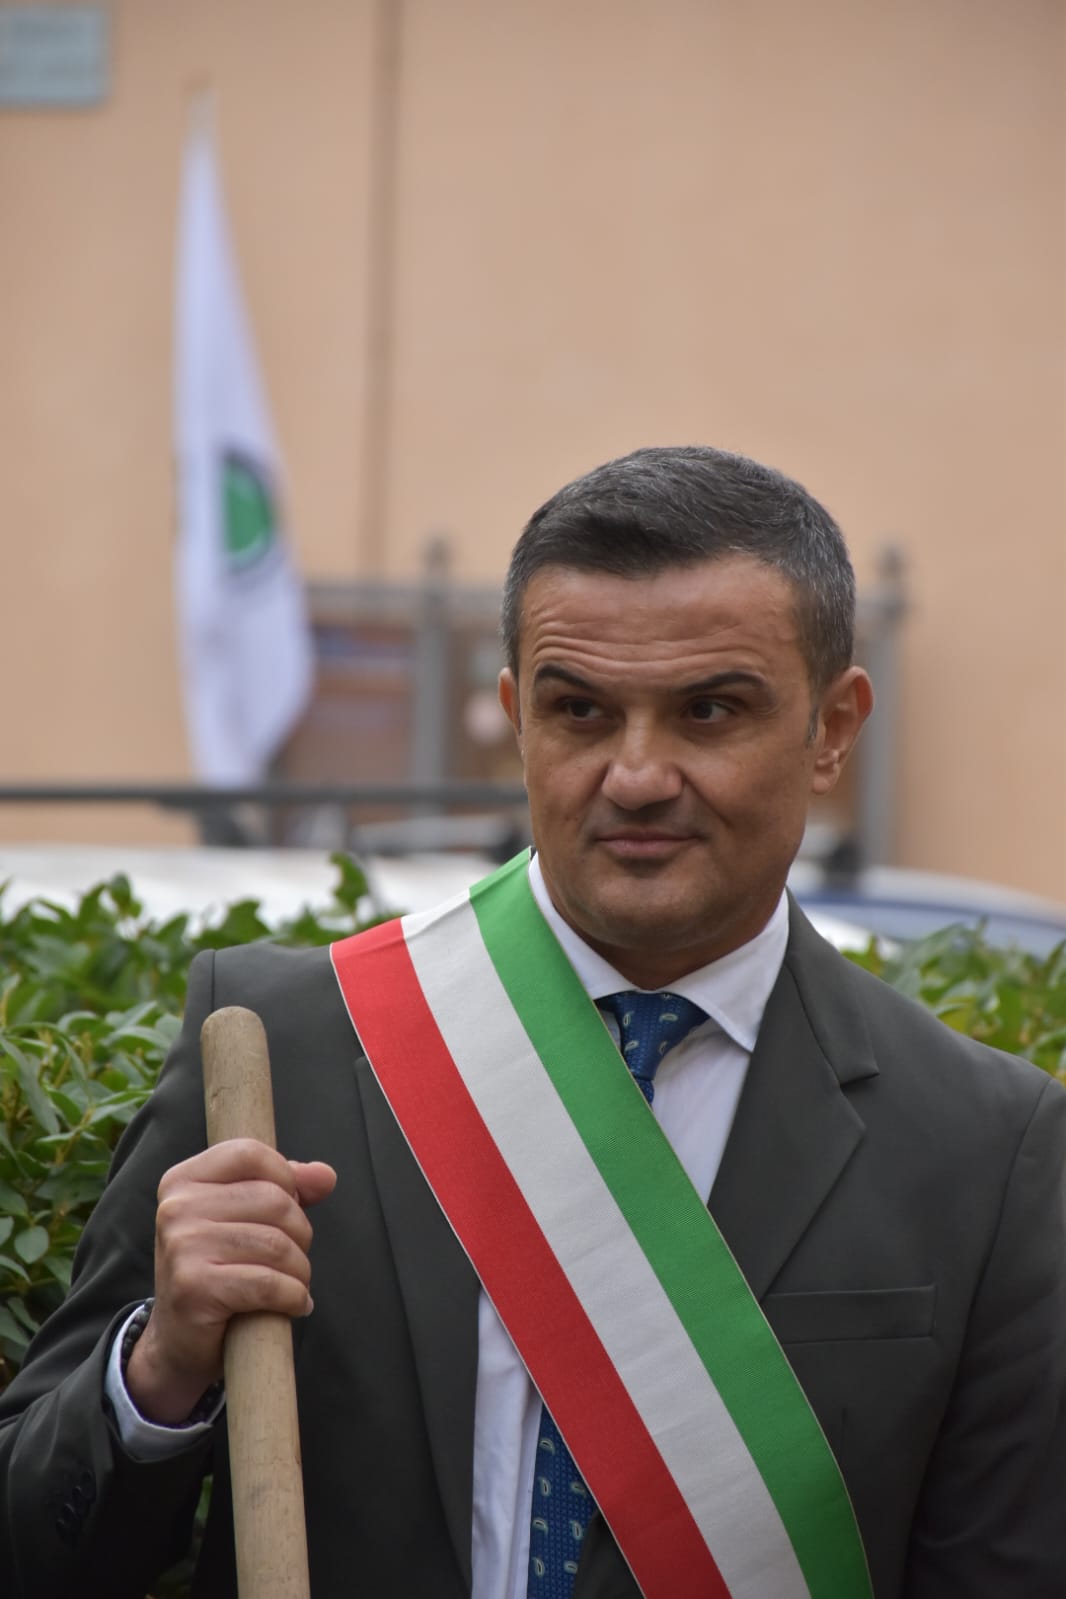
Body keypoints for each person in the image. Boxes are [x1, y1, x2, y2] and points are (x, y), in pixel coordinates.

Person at [1, 444, 1063, 1599]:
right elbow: (33, 1552)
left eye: (709, 710)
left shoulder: (986, 1148)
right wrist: (158, 1370)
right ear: (515, 715)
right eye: (580, 710)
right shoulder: (280, 1047)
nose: (637, 774)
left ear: (833, 727)